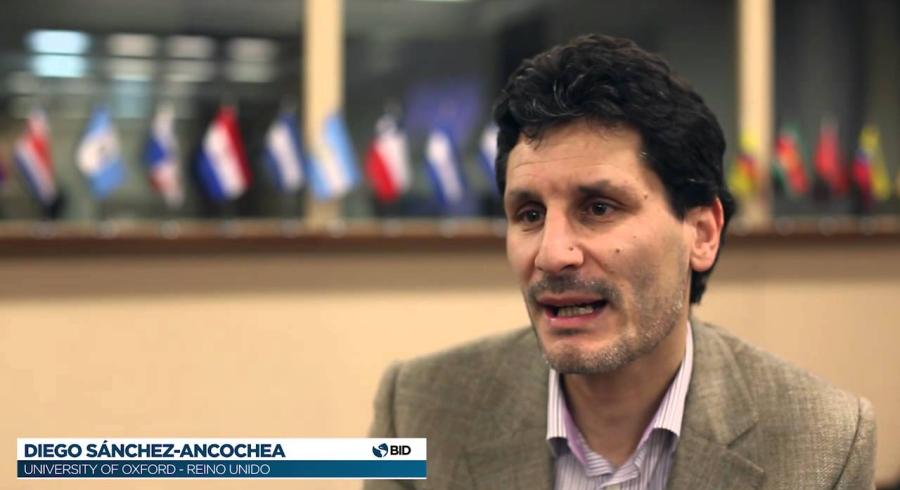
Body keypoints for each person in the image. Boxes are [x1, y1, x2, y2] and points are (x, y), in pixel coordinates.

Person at [366, 34, 876, 489]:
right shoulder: (414, 410)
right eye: (530, 214)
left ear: (702, 233)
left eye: (599, 208)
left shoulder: (825, 443)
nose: (552, 254)